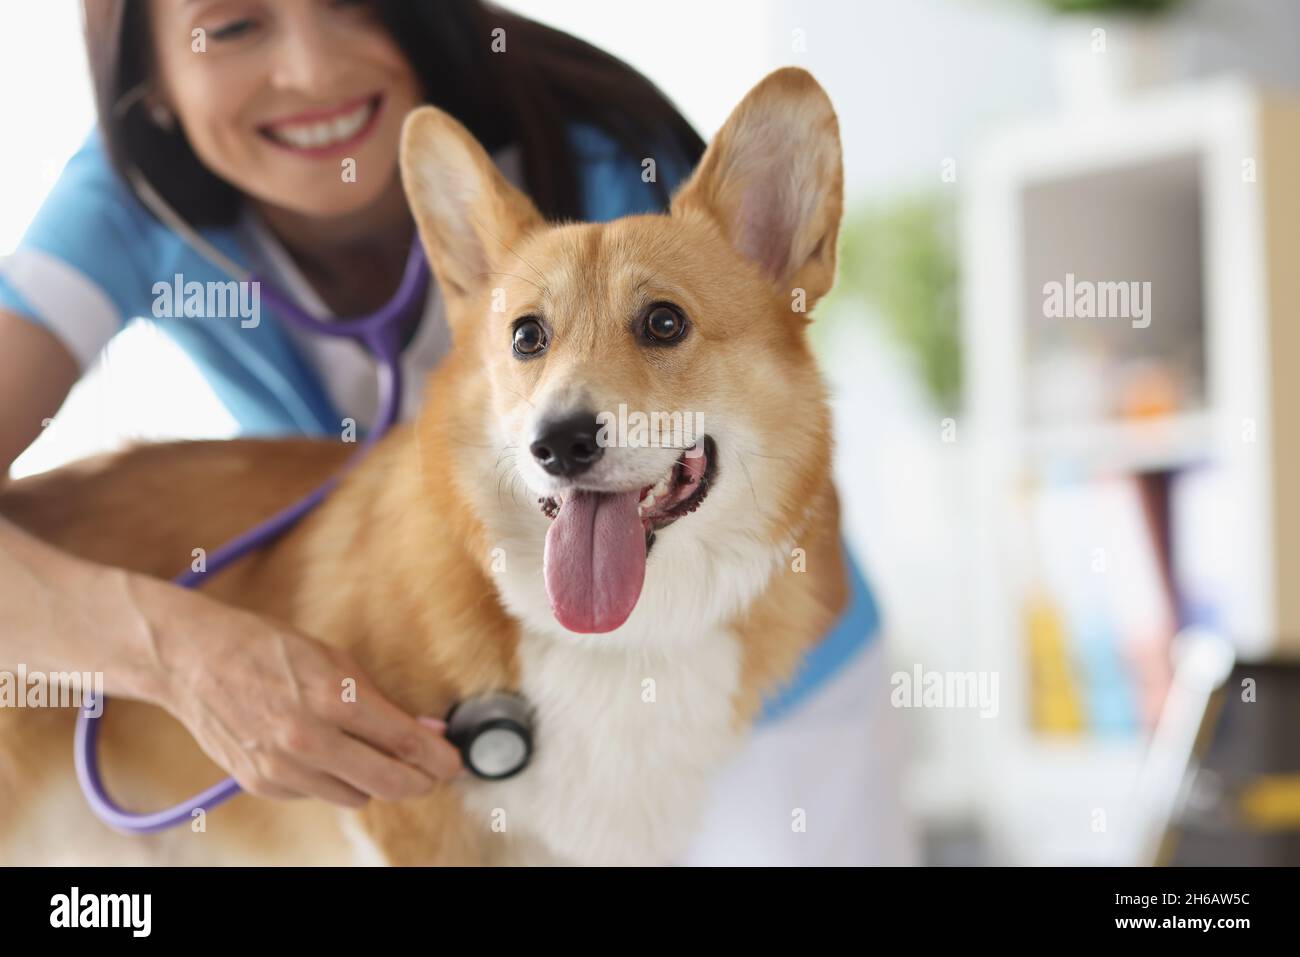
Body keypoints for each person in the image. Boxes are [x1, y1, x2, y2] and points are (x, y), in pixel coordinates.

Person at [0, 0, 906, 864]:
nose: (310, 68)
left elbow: (784, 476)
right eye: (233, 25)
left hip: (774, 678)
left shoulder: (602, 154)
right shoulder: (121, 201)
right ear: (149, 79)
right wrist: (180, 650)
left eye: (354, 2)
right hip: (426, 649)